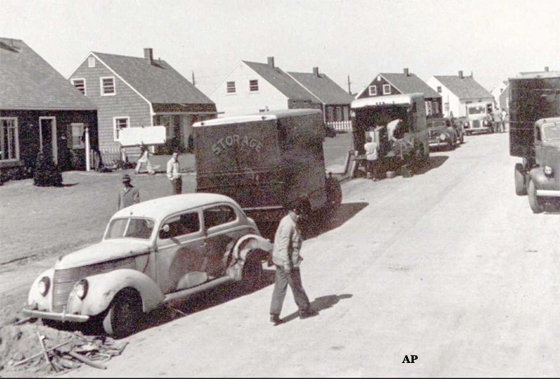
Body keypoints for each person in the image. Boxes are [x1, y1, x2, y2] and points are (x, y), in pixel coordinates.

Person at [269, 200, 318, 325]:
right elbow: (283, 246)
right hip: (287, 262)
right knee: (296, 286)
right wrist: (287, 265)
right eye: (299, 214)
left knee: (280, 287)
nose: (300, 217)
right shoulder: (288, 225)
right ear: (294, 211)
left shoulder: (288, 221)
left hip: (280, 260)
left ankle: (274, 314)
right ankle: (304, 310)